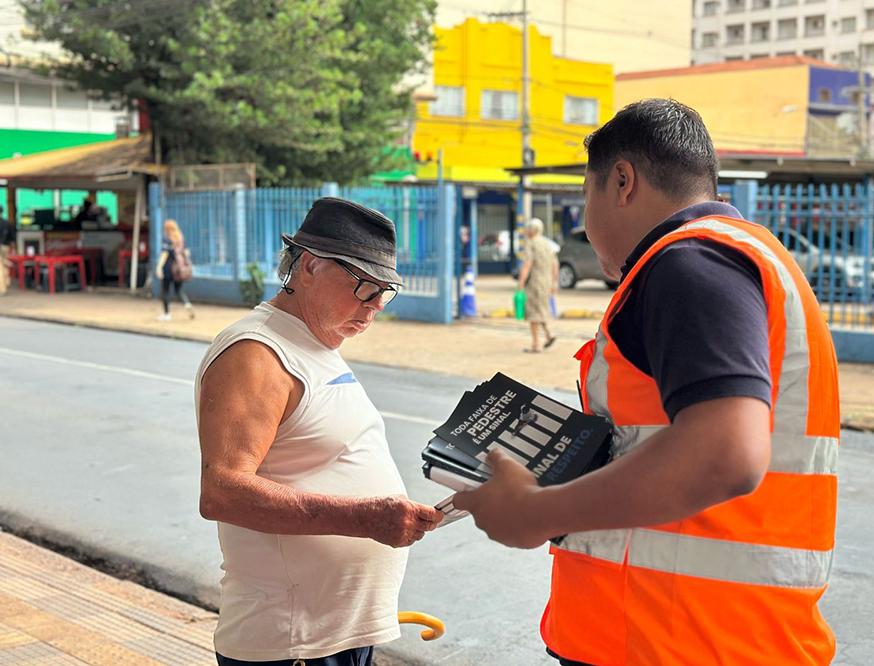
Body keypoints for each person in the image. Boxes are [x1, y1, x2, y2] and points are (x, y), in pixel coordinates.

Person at [454, 99, 840, 665]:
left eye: (586, 197)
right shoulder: (748, 257)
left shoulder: (691, 263)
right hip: (710, 636)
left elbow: (725, 454)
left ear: (622, 181)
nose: (586, 224)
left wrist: (537, 512)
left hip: (677, 639)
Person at [196, 197, 443, 665]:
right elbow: (222, 492)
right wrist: (363, 519)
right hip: (291, 645)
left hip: (333, 637)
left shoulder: (313, 340)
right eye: (364, 289)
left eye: (384, 295)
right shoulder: (256, 351)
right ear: (309, 266)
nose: (373, 309)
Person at [517, 217, 558, 353]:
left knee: (533, 312)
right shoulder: (547, 244)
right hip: (546, 282)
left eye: (528, 228)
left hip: (534, 281)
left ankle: (536, 344)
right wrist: (554, 282)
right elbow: (555, 264)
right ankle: (549, 335)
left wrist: (521, 281)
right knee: (541, 309)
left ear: (532, 230)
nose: (526, 231)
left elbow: (527, 264)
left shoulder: (531, 243)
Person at [155, 219, 194, 321]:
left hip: (168, 268)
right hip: (178, 269)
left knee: (165, 291)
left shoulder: (167, 239)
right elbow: (186, 252)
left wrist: (159, 267)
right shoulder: (180, 238)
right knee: (179, 290)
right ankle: (187, 304)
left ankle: (167, 314)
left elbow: (164, 254)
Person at [0, 205, 13, 295]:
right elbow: (12, 238)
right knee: (4, 265)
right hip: (5, 247)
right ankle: (6, 282)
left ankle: (2, 288)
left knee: (1, 266)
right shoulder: (7, 223)